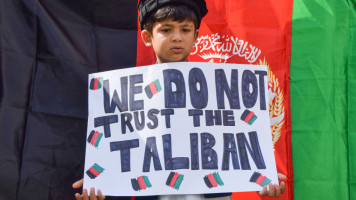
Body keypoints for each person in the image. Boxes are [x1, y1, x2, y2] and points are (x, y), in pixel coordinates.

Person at [72, 0, 287, 199]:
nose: (177, 37)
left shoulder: (221, 91)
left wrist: (263, 178)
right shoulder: (126, 95)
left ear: (196, 36)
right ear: (147, 37)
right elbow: (121, 147)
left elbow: (238, 143)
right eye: (166, 30)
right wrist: (101, 181)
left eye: (185, 30)